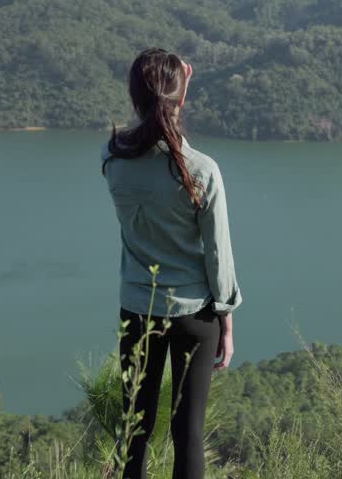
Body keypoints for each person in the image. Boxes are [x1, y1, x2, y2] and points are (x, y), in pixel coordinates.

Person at [101, 48, 241, 479]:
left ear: (134, 96)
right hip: (194, 316)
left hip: (138, 312)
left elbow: (149, 130)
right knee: (189, 435)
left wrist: (174, 93)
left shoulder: (113, 159)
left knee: (134, 431)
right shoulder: (202, 170)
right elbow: (219, 252)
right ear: (180, 97)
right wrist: (227, 318)